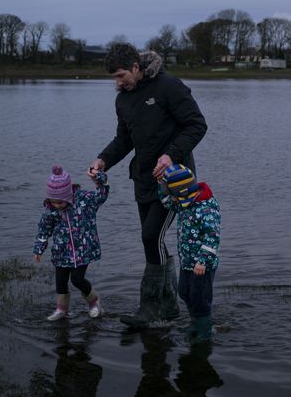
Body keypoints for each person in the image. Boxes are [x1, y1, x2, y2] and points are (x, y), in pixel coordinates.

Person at [88, 42, 207, 328]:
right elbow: (124, 140)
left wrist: (170, 155)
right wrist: (103, 160)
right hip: (143, 179)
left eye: (121, 76)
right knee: (152, 239)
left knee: (151, 236)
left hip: (175, 181)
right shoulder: (123, 100)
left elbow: (197, 125)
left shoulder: (169, 87)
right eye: (114, 78)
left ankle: (151, 307)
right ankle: (168, 307)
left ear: (135, 67)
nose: (118, 83)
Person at [34, 164, 109, 321]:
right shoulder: (51, 210)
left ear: (68, 195)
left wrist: (99, 178)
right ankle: (61, 309)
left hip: (83, 250)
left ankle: (94, 301)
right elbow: (44, 229)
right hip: (61, 251)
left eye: (60, 202)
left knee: (77, 279)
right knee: (60, 282)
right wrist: (39, 249)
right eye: (54, 202)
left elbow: (101, 195)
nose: (57, 205)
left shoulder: (84, 200)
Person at [160, 164, 220, 342]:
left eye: (173, 194)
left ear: (182, 192)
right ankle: (195, 323)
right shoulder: (184, 203)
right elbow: (167, 201)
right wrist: (160, 183)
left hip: (202, 265)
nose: (172, 198)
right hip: (187, 262)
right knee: (184, 292)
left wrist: (203, 261)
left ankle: (205, 330)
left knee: (200, 298)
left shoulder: (206, 208)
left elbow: (212, 237)